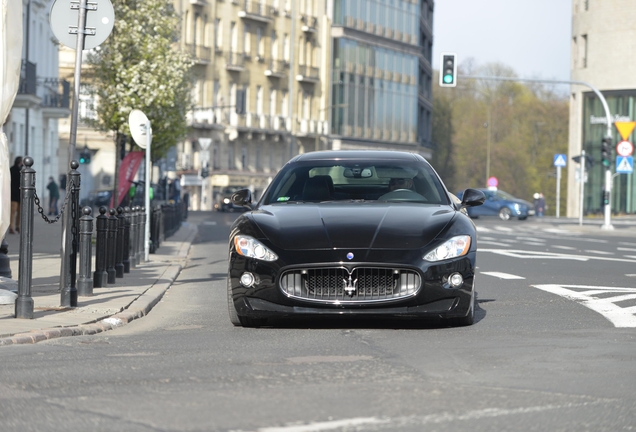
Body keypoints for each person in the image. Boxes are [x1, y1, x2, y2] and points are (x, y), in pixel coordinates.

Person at [9, 156, 23, 234]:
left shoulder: (22, 170)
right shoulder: (12, 169)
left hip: (20, 195)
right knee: (13, 211)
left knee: (20, 212)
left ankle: (18, 226)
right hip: (14, 194)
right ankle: (11, 227)